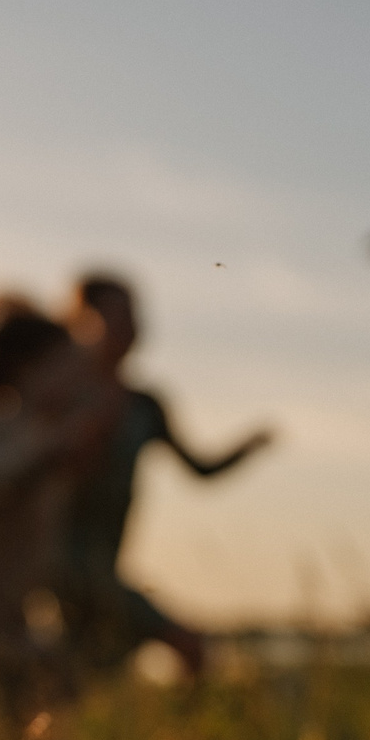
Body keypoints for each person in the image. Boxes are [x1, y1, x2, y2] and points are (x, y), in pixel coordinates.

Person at [53, 273, 273, 680]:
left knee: (77, 679)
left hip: (107, 569)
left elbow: (200, 469)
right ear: (81, 321)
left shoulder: (144, 406)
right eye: (117, 316)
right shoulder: (56, 397)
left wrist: (248, 448)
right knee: (186, 644)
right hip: (57, 569)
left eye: (135, 316)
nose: (131, 327)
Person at [0, 295, 123, 715]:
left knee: (50, 697)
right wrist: (55, 447)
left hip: (19, 609)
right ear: (28, 370)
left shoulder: (44, 429)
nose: (75, 378)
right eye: (65, 367)